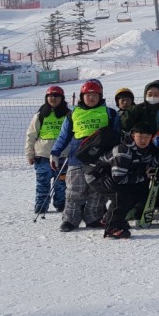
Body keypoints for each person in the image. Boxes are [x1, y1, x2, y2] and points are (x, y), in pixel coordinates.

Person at [50, 80, 121, 232]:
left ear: (100, 96)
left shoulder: (110, 113)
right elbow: (64, 136)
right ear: (82, 96)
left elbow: (117, 135)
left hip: (100, 159)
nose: (91, 98)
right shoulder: (73, 113)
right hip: (77, 157)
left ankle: (93, 218)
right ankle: (70, 220)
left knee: (96, 191)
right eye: (88, 95)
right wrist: (55, 153)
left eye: (94, 95)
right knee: (74, 190)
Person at [86, 122, 159, 239]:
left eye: (147, 137)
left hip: (115, 175)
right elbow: (119, 178)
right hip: (97, 175)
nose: (144, 140)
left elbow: (148, 164)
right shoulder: (123, 151)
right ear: (133, 136)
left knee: (137, 191)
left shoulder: (145, 150)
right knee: (120, 196)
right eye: (140, 137)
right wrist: (143, 176)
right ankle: (112, 228)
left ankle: (113, 220)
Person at [25, 85, 70, 215]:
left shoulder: (68, 114)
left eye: (56, 96)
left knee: (62, 183)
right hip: (43, 155)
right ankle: (41, 206)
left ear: (62, 98)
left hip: (63, 155)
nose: (53, 98)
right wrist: (29, 153)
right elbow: (31, 135)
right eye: (50, 96)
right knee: (42, 183)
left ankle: (61, 204)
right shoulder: (40, 115)